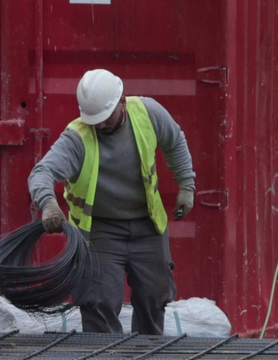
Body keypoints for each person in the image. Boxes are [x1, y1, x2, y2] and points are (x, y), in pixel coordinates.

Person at [27, 68, 196, 335]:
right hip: (100, 231)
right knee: (98, 301)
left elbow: (175, 141)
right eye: (95, 120)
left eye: (106, 118)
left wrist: (186, 185)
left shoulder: (148, 114)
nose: (101, 125)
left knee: (154, 296)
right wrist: (48, 203)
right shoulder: (78, 137)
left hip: (147, 226)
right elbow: (42, 172)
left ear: (122, 101)